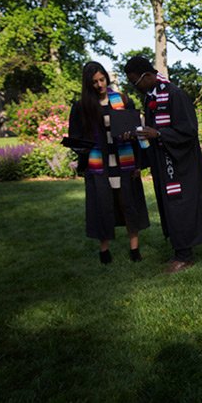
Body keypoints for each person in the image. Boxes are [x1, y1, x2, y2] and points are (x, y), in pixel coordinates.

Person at [123, 57, 202, 274]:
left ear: (147, 76)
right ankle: (180, 249)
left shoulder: (174, 95)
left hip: (180, 163)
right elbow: (152, 132)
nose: (133, 86)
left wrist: (159, 133)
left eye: (134, 81)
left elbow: (189, 130)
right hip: (163, 160)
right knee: (171, 206)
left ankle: (184, 256)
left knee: (179, 207)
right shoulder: (151, 98)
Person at [67, 61, 150, 264]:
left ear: (106, 77)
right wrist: (81, 149)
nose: (100, 85)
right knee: (102, 207)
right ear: (88, 84)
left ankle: (134, 249)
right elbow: (75, 136)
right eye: (94, 82)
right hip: (99, 166)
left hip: (125, 162)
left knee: (128, 204)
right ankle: (104, 251)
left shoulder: (122, 101)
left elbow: (138, 133)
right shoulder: (81, 107)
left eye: (102, 79)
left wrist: (139, 164)